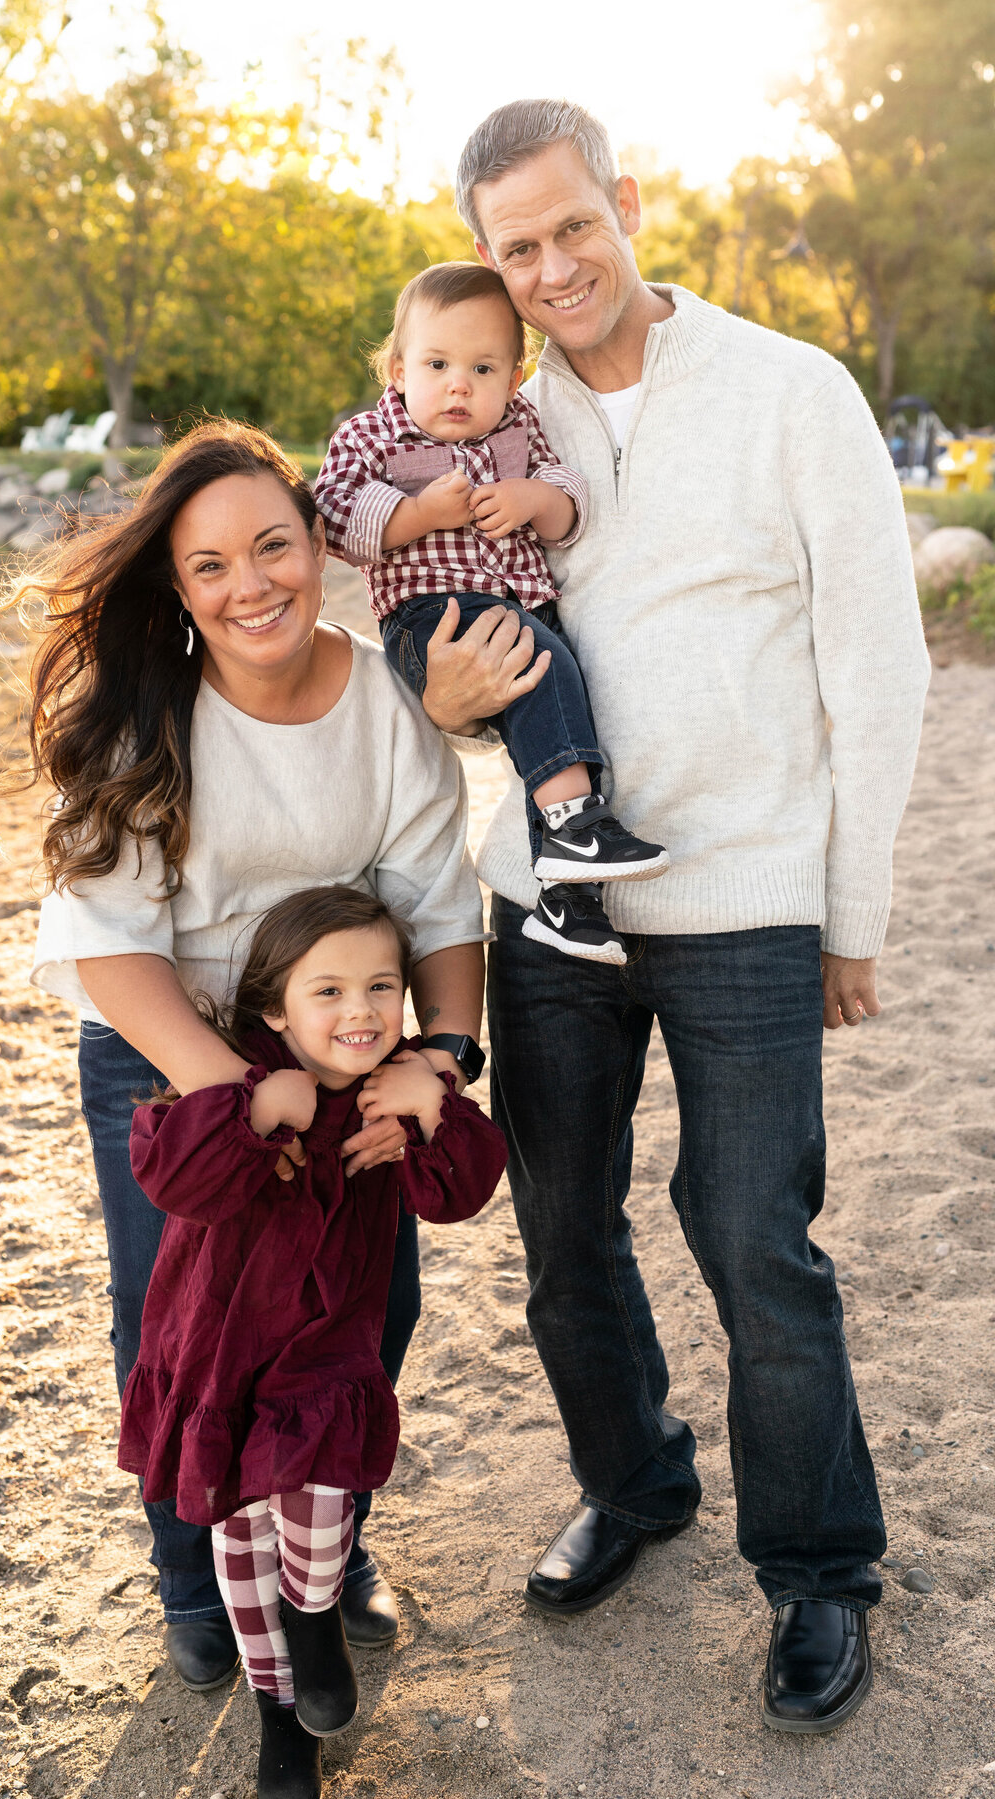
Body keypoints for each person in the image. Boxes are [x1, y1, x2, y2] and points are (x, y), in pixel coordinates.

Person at [413, 99, 931, 1734]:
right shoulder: (484, 418)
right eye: (518, 247)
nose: (553, 268)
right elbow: (421, 646)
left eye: (574, 227)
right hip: (552, 899)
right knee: (561, 1230)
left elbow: (879, 664)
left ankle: (820, 1561)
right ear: (490, 263)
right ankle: (634, 1483)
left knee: (753, 1231)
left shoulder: (793, 391)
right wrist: (430, 694)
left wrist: (851, 909)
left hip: (749, 891)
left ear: (629, 203)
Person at [0, 420, 491, 1694]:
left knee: (362, 1307)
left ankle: (325, 1560)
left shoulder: (387, 695)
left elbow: (439, 901)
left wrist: (437, 1058)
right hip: (169, 1054)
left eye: (273, 545)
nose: (250, 583)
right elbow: (106, 943)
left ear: (323, 545)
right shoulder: (141, 716)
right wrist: (233, 1093)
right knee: (174, 1314)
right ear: (176, 583)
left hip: (339, 1048)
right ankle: (191, 1574)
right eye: (209, 564)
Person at [120, 884, 506, 1798]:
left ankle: (317, 1618)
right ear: (272, 1006)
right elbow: (170, 1174)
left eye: (381, 986)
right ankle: (278, 1715)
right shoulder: (234, 1083)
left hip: (328, 1356)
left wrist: (434, 1092)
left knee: (324, 1505)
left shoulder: (391, 1091)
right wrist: (255, 1108)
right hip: (224, 1356)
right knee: (241, 1533)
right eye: (326, 991)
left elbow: (462, 1191)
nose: (361, 1009)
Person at [314, 260, 669, 965]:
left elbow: (566, 495)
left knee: (563, 714)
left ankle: (570, 902)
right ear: (398, 368)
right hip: (429, 620)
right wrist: (416, 514)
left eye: (483, 369)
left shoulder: (520, 426)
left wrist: (534, 502)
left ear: (514, 378)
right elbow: (334, 515)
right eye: (438, 363)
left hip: (515, 604)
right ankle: (575, 827)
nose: (458, 385)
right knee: (547, 674)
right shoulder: (372, 435)